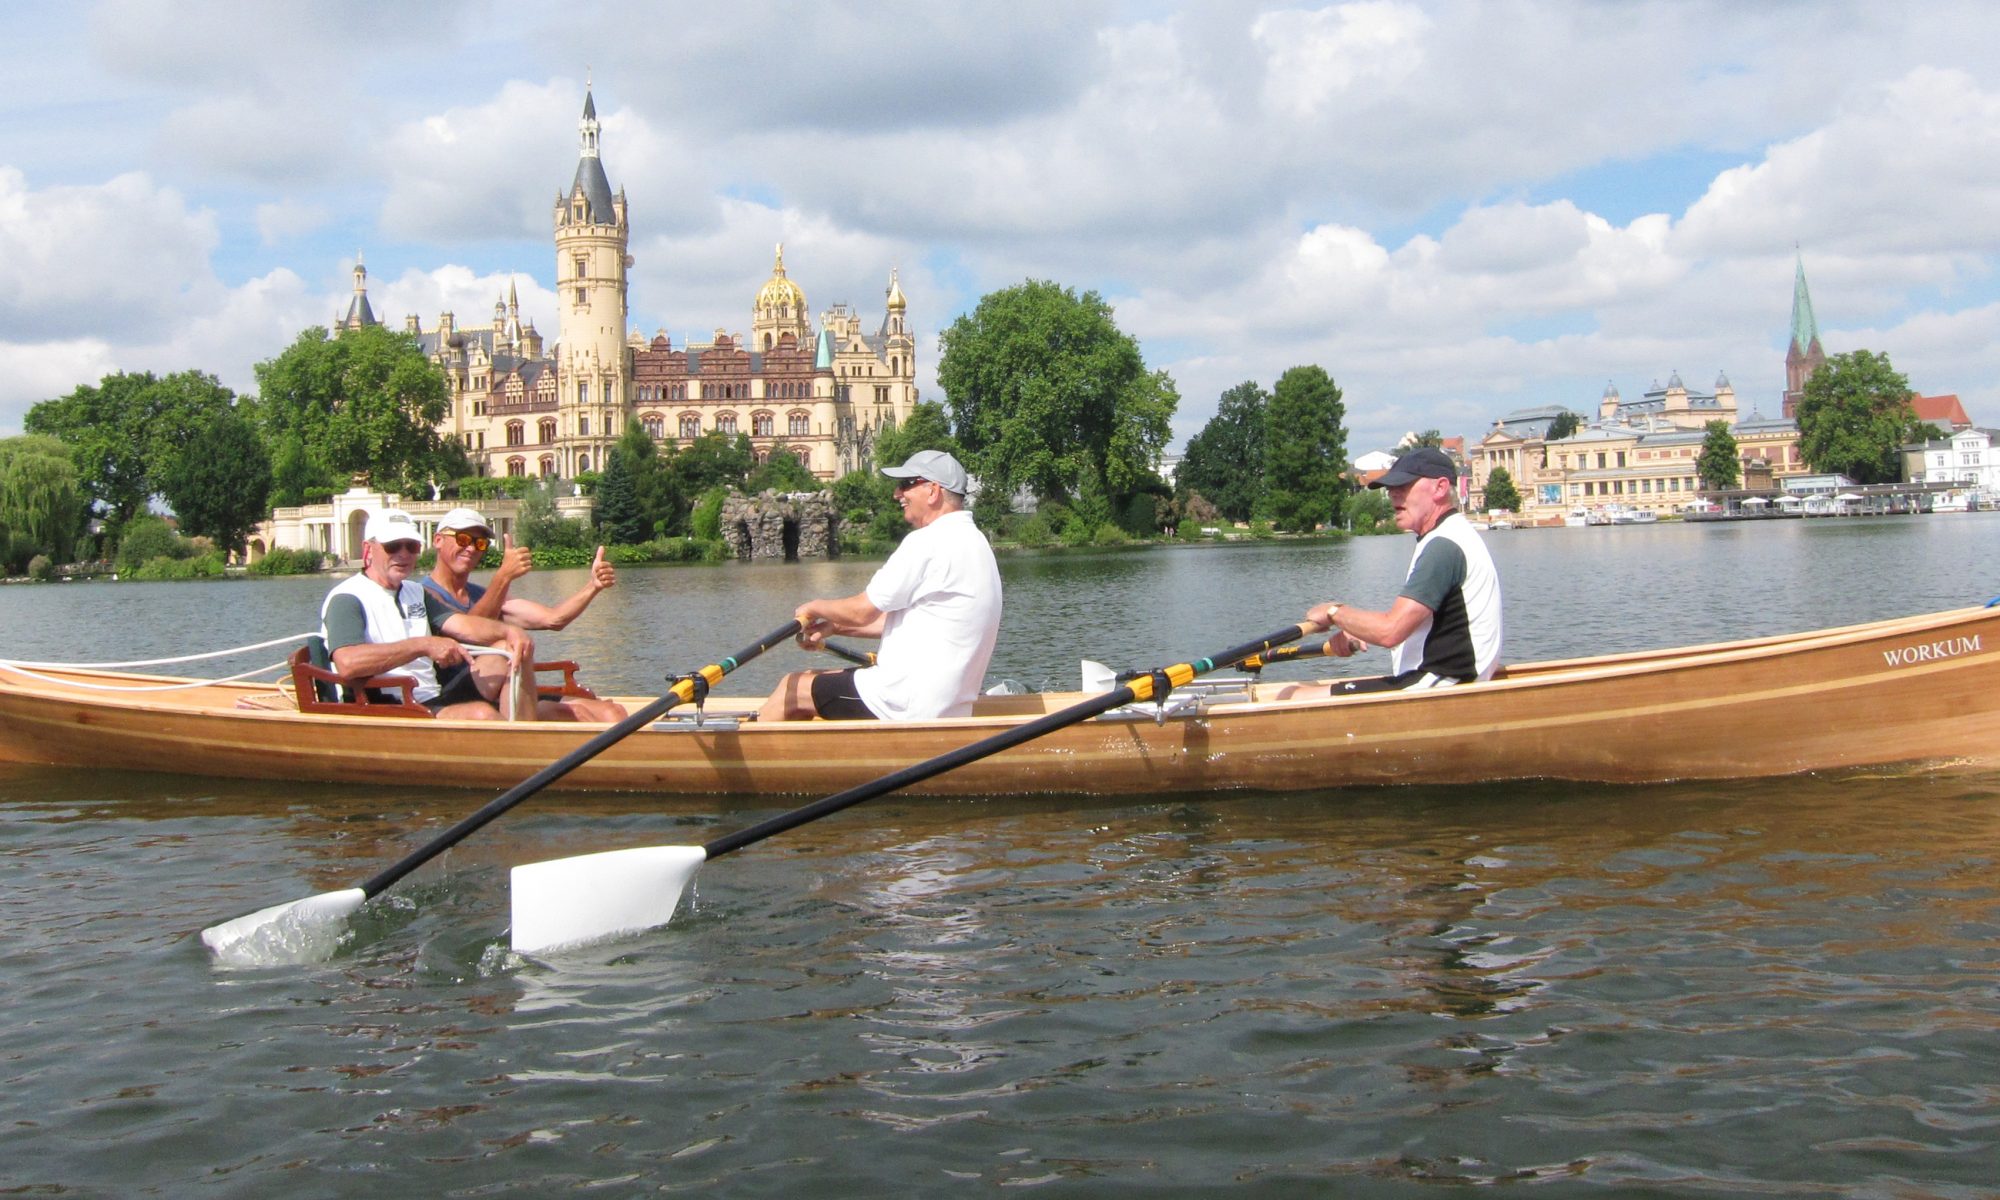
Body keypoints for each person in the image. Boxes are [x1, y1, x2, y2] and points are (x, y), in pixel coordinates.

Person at [759, 450, 1001, 722]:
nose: (897, 494)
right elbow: (905, 620)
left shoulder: (927, 542)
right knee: (815, 680)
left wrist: (814, 607)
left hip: (901, 701)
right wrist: (835, 626)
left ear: (933, 491)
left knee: (791, 688)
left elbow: (863, 611)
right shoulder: (975, 541)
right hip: (948, 705)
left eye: (906, 484)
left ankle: (745, 760)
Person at [1281, 446, 1502, 697]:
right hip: (1449, 681)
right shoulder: (1452, 533)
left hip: (1444, 686)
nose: (1393, 494)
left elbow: (1390, 631)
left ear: (1440, 488)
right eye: (1391, 488)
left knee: (1293, 695)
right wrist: (1357, 629)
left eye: (1404, 486)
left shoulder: (1444, 546)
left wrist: (1333, 612)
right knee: (1291, 691)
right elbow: (1415, 625)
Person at [320, 509, 535, 719]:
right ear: (368, 549)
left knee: (509, 649)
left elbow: (466, 626)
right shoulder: (347, 597)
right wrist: (423, 645)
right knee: (482, 715)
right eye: (392, 546)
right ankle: (520, 745)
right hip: (385, 705)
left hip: (431, 697)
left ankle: (527, 738)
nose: (403, 554)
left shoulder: (416, 592)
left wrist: (510, 631)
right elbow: (348, 663)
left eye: (411, 546)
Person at [422, 506, 627, 722]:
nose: (472, 548)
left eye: (479, 543)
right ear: (438, 540)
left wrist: (593, 587)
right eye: (463, 539)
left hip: (504, 690)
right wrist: (503, 577)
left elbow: (554, 619)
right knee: (509, 647)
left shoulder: (482, 593)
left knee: (610, 713)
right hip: (456, 697)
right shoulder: (424, 595)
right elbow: (470, 629)